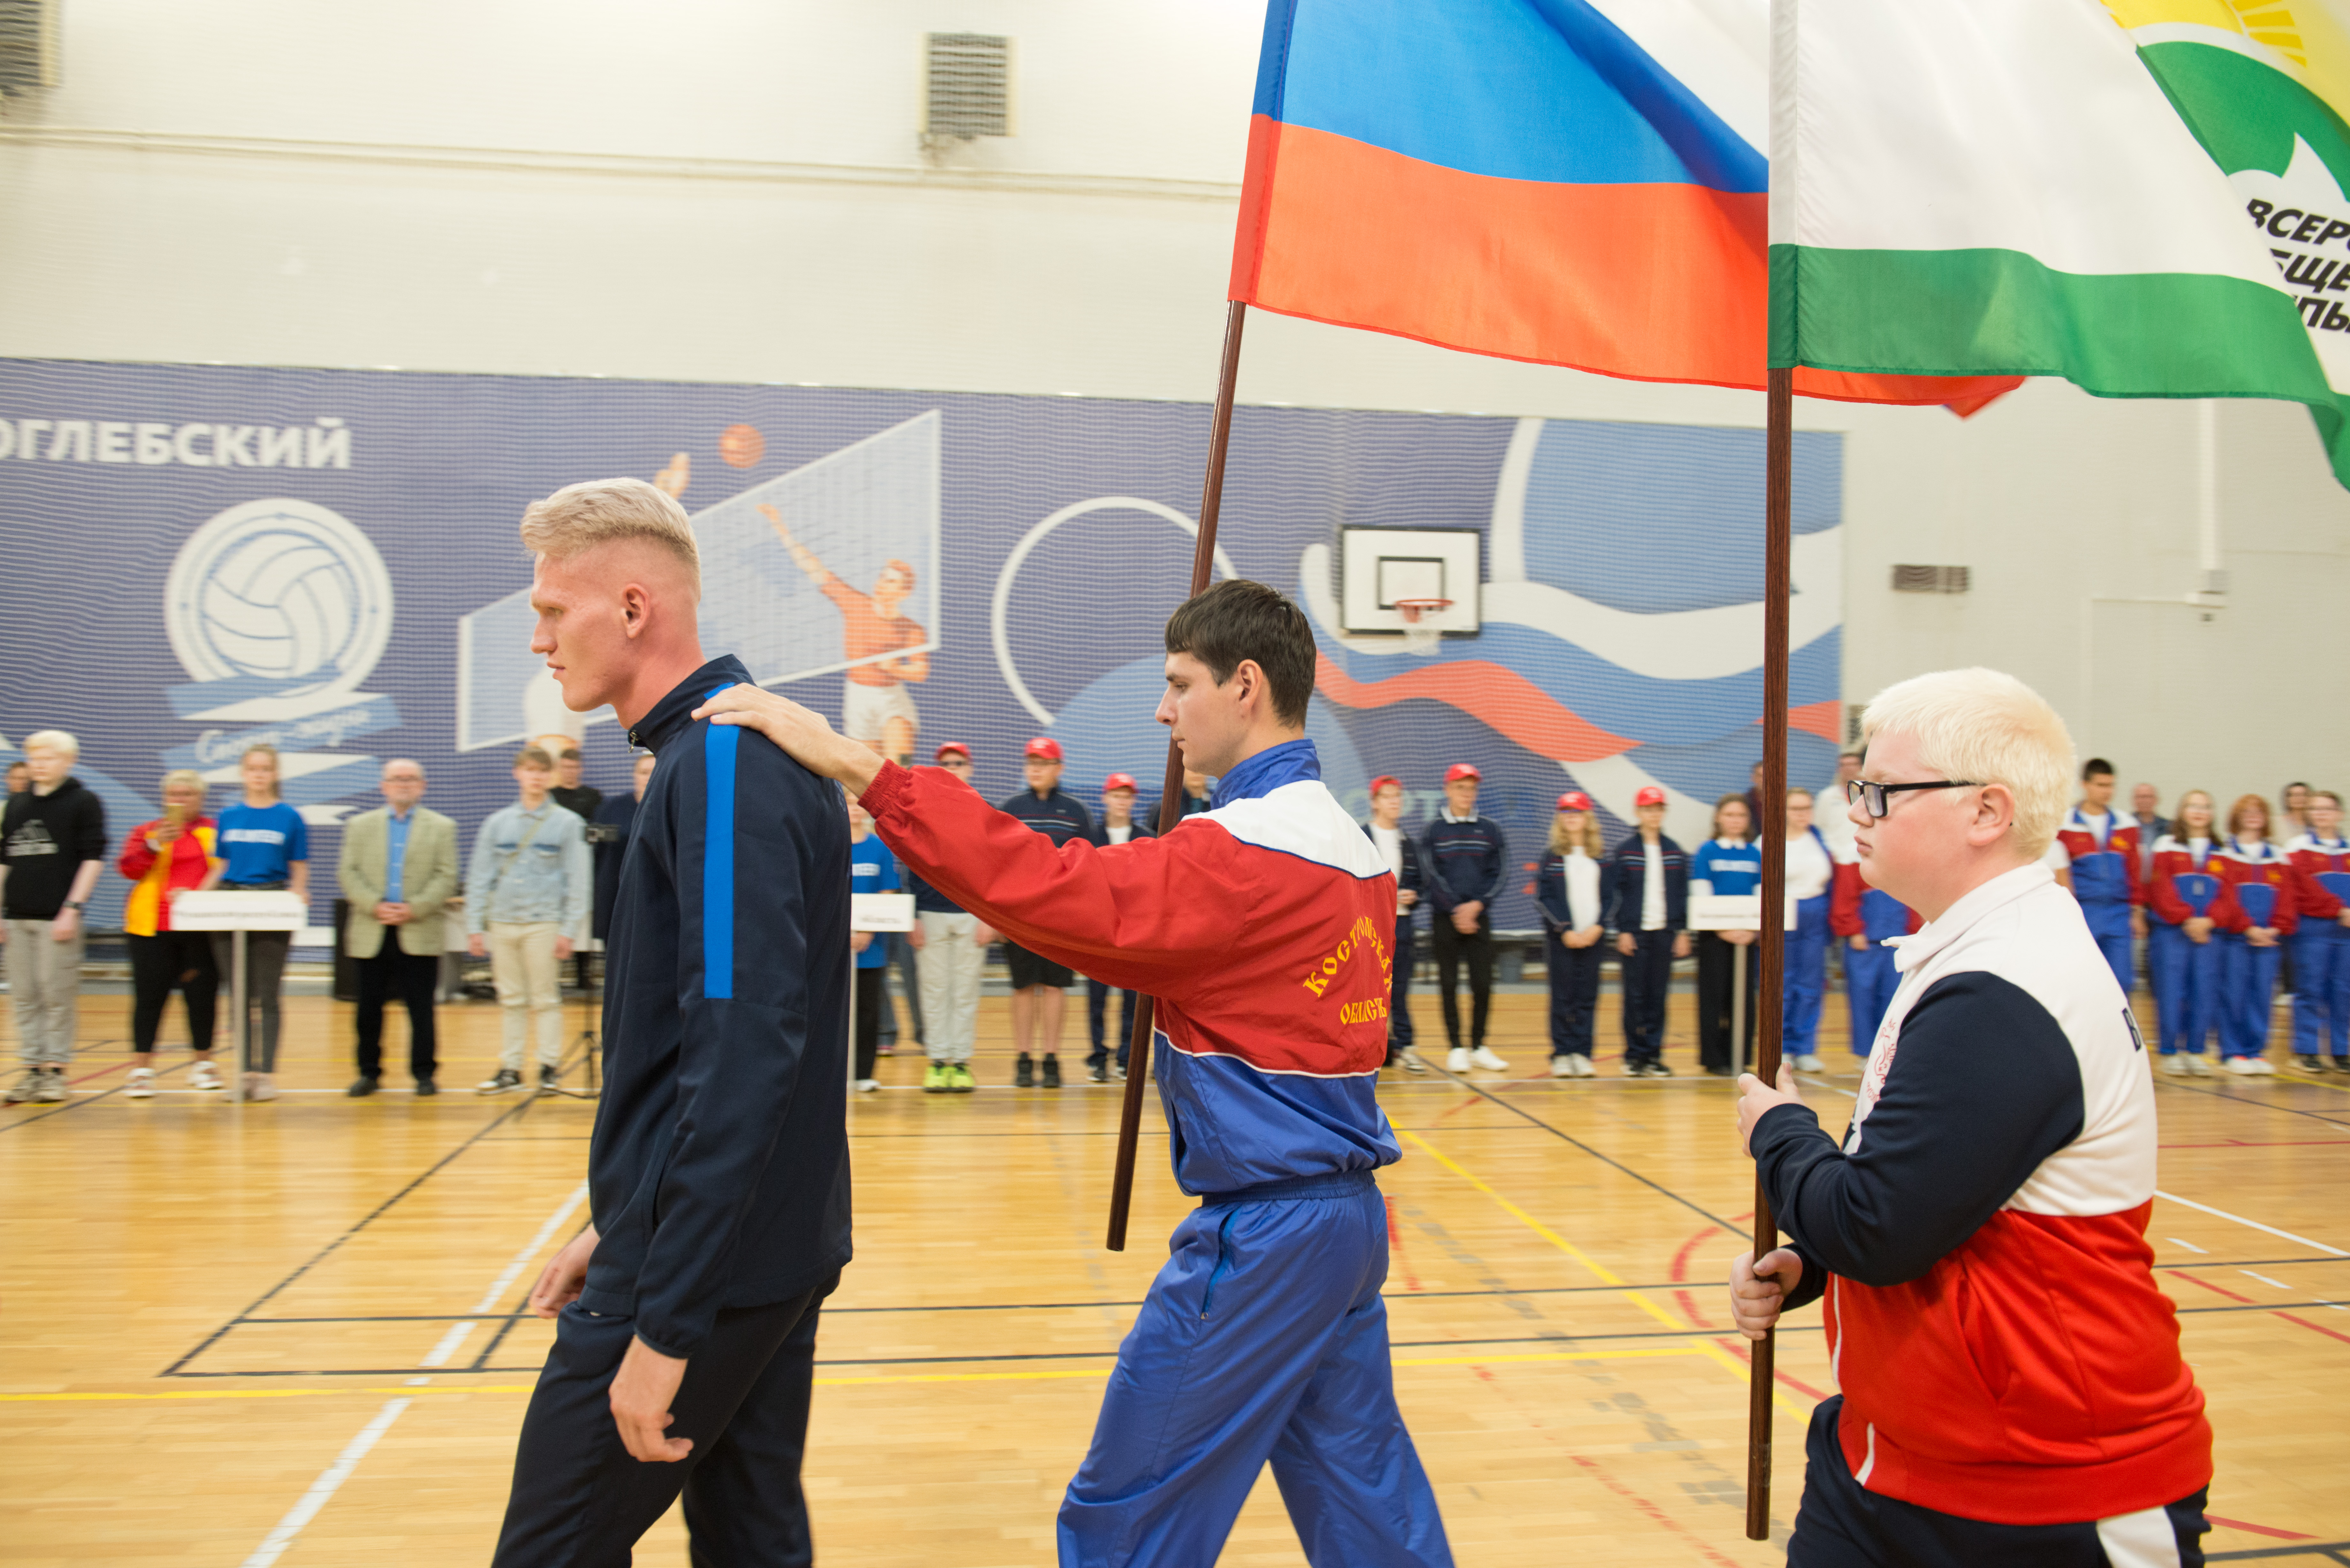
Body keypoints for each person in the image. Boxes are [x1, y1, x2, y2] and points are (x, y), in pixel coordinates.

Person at [694, 576, 1452, 1568]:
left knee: (1123, 1518)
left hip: (1265, 1235)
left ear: (1246, 686)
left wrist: (861, 767)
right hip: (1343, 1228)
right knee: (1368, 1509)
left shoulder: (1242, 853)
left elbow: (1045, 886)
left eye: (1179, 683)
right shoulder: (1351, 848)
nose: (1162, 708)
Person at [1730, 666, 2212, 1567]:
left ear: (1987, 813)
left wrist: (1779, 1131)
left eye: (1880, 789)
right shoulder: (1971, 953)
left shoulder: (2011, 984)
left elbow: (1879, 1226)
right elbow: (1935, 1194)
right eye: (1854, 787)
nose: (1858, 810)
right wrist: (1808, 1264)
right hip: (1889, 1458)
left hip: (2042, 1489)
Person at [492, 476, 850, 1568]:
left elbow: (743, 1057)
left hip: (710, 1275)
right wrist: (621, 1221)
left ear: (635, 608)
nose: (540, 638)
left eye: (555, 611)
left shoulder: (729, 761)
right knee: (749, 1544)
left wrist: (666, 1319)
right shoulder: (712, 755)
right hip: (754, 1249)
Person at [466, 746, 592, 1095]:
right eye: (529, 770)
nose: (535, 777)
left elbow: (578, 880)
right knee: (511, 998)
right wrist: (475, 925)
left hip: (544, 922)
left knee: (546, 997)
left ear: (549, 776)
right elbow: (480, 877)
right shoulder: (497, 823)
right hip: (503, 921)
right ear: (517, 774)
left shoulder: (568, 824)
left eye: (541, 771)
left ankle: (549, 1067)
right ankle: (511, 1068)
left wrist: (569, 930)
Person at [762, 502, 928, 763]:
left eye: (891, 581)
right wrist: (780, 528)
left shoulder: (912, 628)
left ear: (904, 593)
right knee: (870, 779)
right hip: (858, 697)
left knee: (899, 768)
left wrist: (894, 669)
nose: (882, 584)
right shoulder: (856, 603)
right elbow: (813, 567)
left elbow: (920, 671)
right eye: (882, 577)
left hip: (890, 698)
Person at [338, 759, 458, 1097]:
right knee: (368, 1010)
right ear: (384, 786)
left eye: (410, 779)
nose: (403, 784)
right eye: (396, 779)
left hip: (418, 929)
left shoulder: (442, 827)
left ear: (423, 785)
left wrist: (414, 908)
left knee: (420, 1008)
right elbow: (348, 873)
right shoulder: (360, 826)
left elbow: (446, 876)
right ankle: (368, 1073)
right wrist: (375, 905)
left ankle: (424, 1073)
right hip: (371, 929)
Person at [196, 743, 306, 1103]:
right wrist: (197, 897)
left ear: (274, 774)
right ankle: (244, 1073)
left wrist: (299, 893)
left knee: (268, 995)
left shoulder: (289, 816)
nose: (259, 775)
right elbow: (219, 865)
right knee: (238, 995)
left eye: (265, 769)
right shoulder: (228, 815)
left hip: (271, 902)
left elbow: (299, 867)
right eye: (253, 769)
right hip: (230, 903)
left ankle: (266, 1074)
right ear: (243, 774)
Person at [1, 732, 107, 1103]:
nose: (39, 764)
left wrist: (72, 908)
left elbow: (93, 859)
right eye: (34, 758)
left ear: (68, 761)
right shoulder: (16, 804)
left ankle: (56, 1073)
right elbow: (6, 860)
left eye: (48, 758)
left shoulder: (84, 802)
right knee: (25, 996)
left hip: (57, 918)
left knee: (56, 995)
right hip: (17, 917)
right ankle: (31, 1071)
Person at [116, 769, 222, 1099]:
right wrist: (153, 844)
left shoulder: (215, 831)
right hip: (150, 928)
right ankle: (142, 1070)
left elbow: (226, 869)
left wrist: (195, 898)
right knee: (149, 997)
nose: (179, 800)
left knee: (202, 997)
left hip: (199, 929)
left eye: (187, 794)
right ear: (164, 798)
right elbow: (129, 868)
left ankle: (203, 1064)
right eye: (173, 794)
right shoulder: (146, 831)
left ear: (200, 798)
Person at [998, 736, 1092, 1088]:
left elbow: (1089, 864)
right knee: (1023, 987)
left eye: (1043, 763)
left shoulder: (1076, 811)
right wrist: (999, 916)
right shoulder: (1010, 807)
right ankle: (1024, 1059)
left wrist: (1082, 914)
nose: (1036, 769)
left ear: (1059, 769)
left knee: (1055, 987)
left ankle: (1051, 1059)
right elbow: (997, 864)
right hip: (1019, 917)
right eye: (1031, 763)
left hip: (1061, 916)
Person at [909, 741, 992, 1094]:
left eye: (959, 763)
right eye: (946, 763)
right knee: (934, 990)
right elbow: (911, 862)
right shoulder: (922, 810)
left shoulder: (981, 812)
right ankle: (937, 1061)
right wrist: (912, 916)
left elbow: (991, 866)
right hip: (930, 915)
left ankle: (959, 1062)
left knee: (965, 992)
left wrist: (990, 917)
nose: (953, 768)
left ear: (970, 768)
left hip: (971, 915)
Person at [1422, 762, 1508, 1073]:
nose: (1466, 793)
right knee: (1448, 983)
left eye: (1471, 788)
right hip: (1446, 918)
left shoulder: (1490, 830)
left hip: (1479, 918)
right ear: (1447, 790)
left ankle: (1479, 1045)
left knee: (1483, 983)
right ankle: (1457, 1047)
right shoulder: (1434, 830)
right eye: (1460, 787)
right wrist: (1458, 908)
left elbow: (1500, 873)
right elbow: (1431, 873)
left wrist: (1476, 906)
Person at [1604, 784, 1689, 1078]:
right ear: (1638, 812)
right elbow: (1616, 894)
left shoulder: (1674, 851)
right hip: (1636, 935)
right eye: (1648, 809)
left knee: (1658, 996)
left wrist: (1681, 931)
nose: (1653, 814)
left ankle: (1653, 1055)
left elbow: (1681, 894)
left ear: (1663, 813)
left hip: (1664, 934)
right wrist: (1624, 931)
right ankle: (1633, 1056)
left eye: (1658, 809)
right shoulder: (1626, 851)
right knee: (1634, 997)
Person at [2044, 758, 2145, 997]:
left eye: (2111, 785)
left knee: (2122, 981)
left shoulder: (2127, 825)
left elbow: (2135, 873)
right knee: (2083, 981)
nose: (2107, 791)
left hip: (2119, 914)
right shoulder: (2064, 824)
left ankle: (2120, 1034)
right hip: (2084, 912)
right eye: (2101, 785)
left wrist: (2138, 913)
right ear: (2085, 785)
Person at [2213, 794, 2297, 1076]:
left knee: (2263, 996)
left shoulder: (2278, 856)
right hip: (2237, 940)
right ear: (2236, 817)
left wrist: (2276, 928)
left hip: (2269, 941)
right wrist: (2247, 927)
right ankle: (2232, 1052)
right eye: (2247, 811)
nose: (2253, 816)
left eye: (2259, 812)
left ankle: (2256, 1051)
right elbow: (2225, 897)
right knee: (2234, 995)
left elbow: (2287, 898)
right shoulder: (2224, 854)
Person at [2148, 791, 2225, 1075]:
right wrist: (2187, 919)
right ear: (2182, 810)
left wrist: (2209, 921)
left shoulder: (2223, 851)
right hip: (2173, 934)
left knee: (2204, 992)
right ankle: (2170, 1051)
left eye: (2206, 806)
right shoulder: (2165, 845)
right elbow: (2160, 890)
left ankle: (2195, 1051)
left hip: (2208, 935)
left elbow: (2229, 896)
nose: (2199, 811)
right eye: (2193, 805)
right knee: (2172, 991)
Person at [1084, 772, 1153, 1083]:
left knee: (1131, 999)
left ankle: (1127, 1058)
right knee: (1096, 998)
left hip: (1133, 932)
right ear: (1105, 798)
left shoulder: (1145, 837)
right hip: (1097, 932)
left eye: (1127, 796)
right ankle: (1099, 1057)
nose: (1121, 802)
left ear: (1133, 801)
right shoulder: (1091, 835)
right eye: (1116, 795)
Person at [1830, 825, 1918, 1062]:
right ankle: (1865, 1056)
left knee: (1895, 999)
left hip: (1898, 941)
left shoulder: (1907, 856)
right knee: (1862, 1000)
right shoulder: (1853, 855)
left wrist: (1914, 933)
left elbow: (1915, 897)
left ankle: (1890, 1053)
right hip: (1865, 943)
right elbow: (1845, 897)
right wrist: (1853, 930)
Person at [1535, 791, 1608, 1078]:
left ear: (1588, 818)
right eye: (1566, 813)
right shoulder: (1552, 857)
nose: (1572, 817)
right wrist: (1564, 929)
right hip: (1561, 940)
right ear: (1560, 819)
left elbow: (1613, 897)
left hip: (1593, 938)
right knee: (1563, 996)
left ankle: (1582, 1053)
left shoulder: (1600, 857)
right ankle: (1562, 1053)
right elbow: (1543, 898)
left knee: (1587, 997)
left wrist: (1598, 927)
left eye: (1577, 812)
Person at [1690, 794, 1762, 1078]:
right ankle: (1713, 1058)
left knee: (1743, 999)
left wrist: (1753, 931)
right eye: (1730, 815)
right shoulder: (1707, 851)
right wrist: (1722, 929)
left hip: (1747, 938)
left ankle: (1739, 1056)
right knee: (1713, 997)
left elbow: (1760, 895)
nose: (1735, 821)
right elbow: (1701, 893)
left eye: (1741, 816)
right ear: (1719, 818)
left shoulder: (1754, 854)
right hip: (1715, 938)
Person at [1363, 774, 1428, 1073]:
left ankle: (1406, 1046)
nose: (1395, 802)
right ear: (1375, 802)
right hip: (1369, 927)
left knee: (1399, 988)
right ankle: (1368, 1046)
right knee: (1368, 989)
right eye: (1388, 796)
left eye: (1398, 797)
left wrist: (1413, 895)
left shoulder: (1408, 844)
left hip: (1401, 924)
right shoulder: (1361, 837)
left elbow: (1422, 885)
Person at [2285, 790, 2350, 1072]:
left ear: (2340, 814)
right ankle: (2307, 1050)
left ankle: (2341, 1050)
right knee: (2310, 988)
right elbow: (2304, 890)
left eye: (2328, 809)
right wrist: (2339, 909)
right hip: (2313, 929)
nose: (2321, 814)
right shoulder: (2297, 848)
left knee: (2344, 990)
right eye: (2316, 809)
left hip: (2346, 931)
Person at [1778, 787, 1841, 1075]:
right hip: (1784, 914)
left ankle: (1806, 1048)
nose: (1803, 814)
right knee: (1784, 984)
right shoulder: (1769, 841)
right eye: (1796, 809)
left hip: (1816, 913)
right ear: (1784, 811)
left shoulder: (1820, 839)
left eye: (1807, 808)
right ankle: (1782, 1047)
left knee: (1811, 985)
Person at [848, 798, 899, 1094]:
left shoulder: (879, 848)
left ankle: (864, 1073)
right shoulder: (832, 843)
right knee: (837, 1013)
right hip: (837, 946)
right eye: (849, 804)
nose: (855, 809)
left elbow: (888, 889)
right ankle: (837, 1072)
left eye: (859, 804)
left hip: (871, 946)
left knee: (868, 1011)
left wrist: (867, 930)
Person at [591, 751, 658, 954]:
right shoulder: (611, 808)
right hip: (614, 897)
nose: (648, 777)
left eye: (654, 772)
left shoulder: (670, 808)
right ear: (634, 775)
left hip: (654, 900)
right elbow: (595, 848)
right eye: (644, 772)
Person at [550, 746, 605, 991]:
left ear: (580, 769)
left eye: (574, 767)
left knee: (583, 917)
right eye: (566, 767)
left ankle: (585, 975)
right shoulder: (550, 797)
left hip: (585, 865)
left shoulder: (593, 797)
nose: (570, 772)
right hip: (554, 869)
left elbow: (600, 830)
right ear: (560, 769)